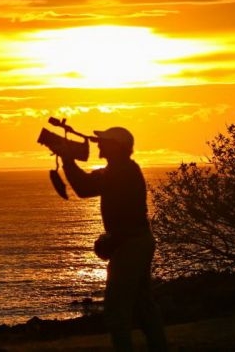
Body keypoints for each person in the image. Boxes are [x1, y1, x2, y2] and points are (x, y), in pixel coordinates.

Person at [60, 127, 168, 352]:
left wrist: (68, 160)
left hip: (130, 244)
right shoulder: (119, 169)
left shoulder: (121, 171)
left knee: (118, 309)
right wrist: (68, 160)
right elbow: (86, 185)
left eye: (104, 142)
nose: (99, 145)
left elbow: (83, 187)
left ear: (116, 146)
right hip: (136, 241)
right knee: (143, 304)